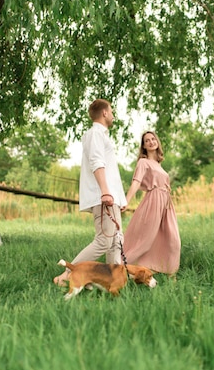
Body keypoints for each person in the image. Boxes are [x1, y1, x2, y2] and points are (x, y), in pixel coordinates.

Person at [54, 99, 127, 286]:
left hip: (111, 197)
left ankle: (114, 281)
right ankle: (66, 277)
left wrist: (120, 197)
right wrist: (105, 192)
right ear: (104, 113)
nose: (112, 114)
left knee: (116, 241)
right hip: (103, 196)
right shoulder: (95, 134)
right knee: (104, 241)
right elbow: (97, 162)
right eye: (111, 111)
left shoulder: (101, 135)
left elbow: (110, 170)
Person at [123, 131, 181, 275]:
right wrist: (126, 201)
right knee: (146, 239)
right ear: (144, 146)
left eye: (153, 139)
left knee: (173, 239)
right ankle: (125, 267)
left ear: (157, 141)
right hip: (154, 201)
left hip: (166, 205)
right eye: (147, 140)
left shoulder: (158, 164)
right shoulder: (143, 162)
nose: (151, 142)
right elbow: (136, 182)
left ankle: (169, 271)